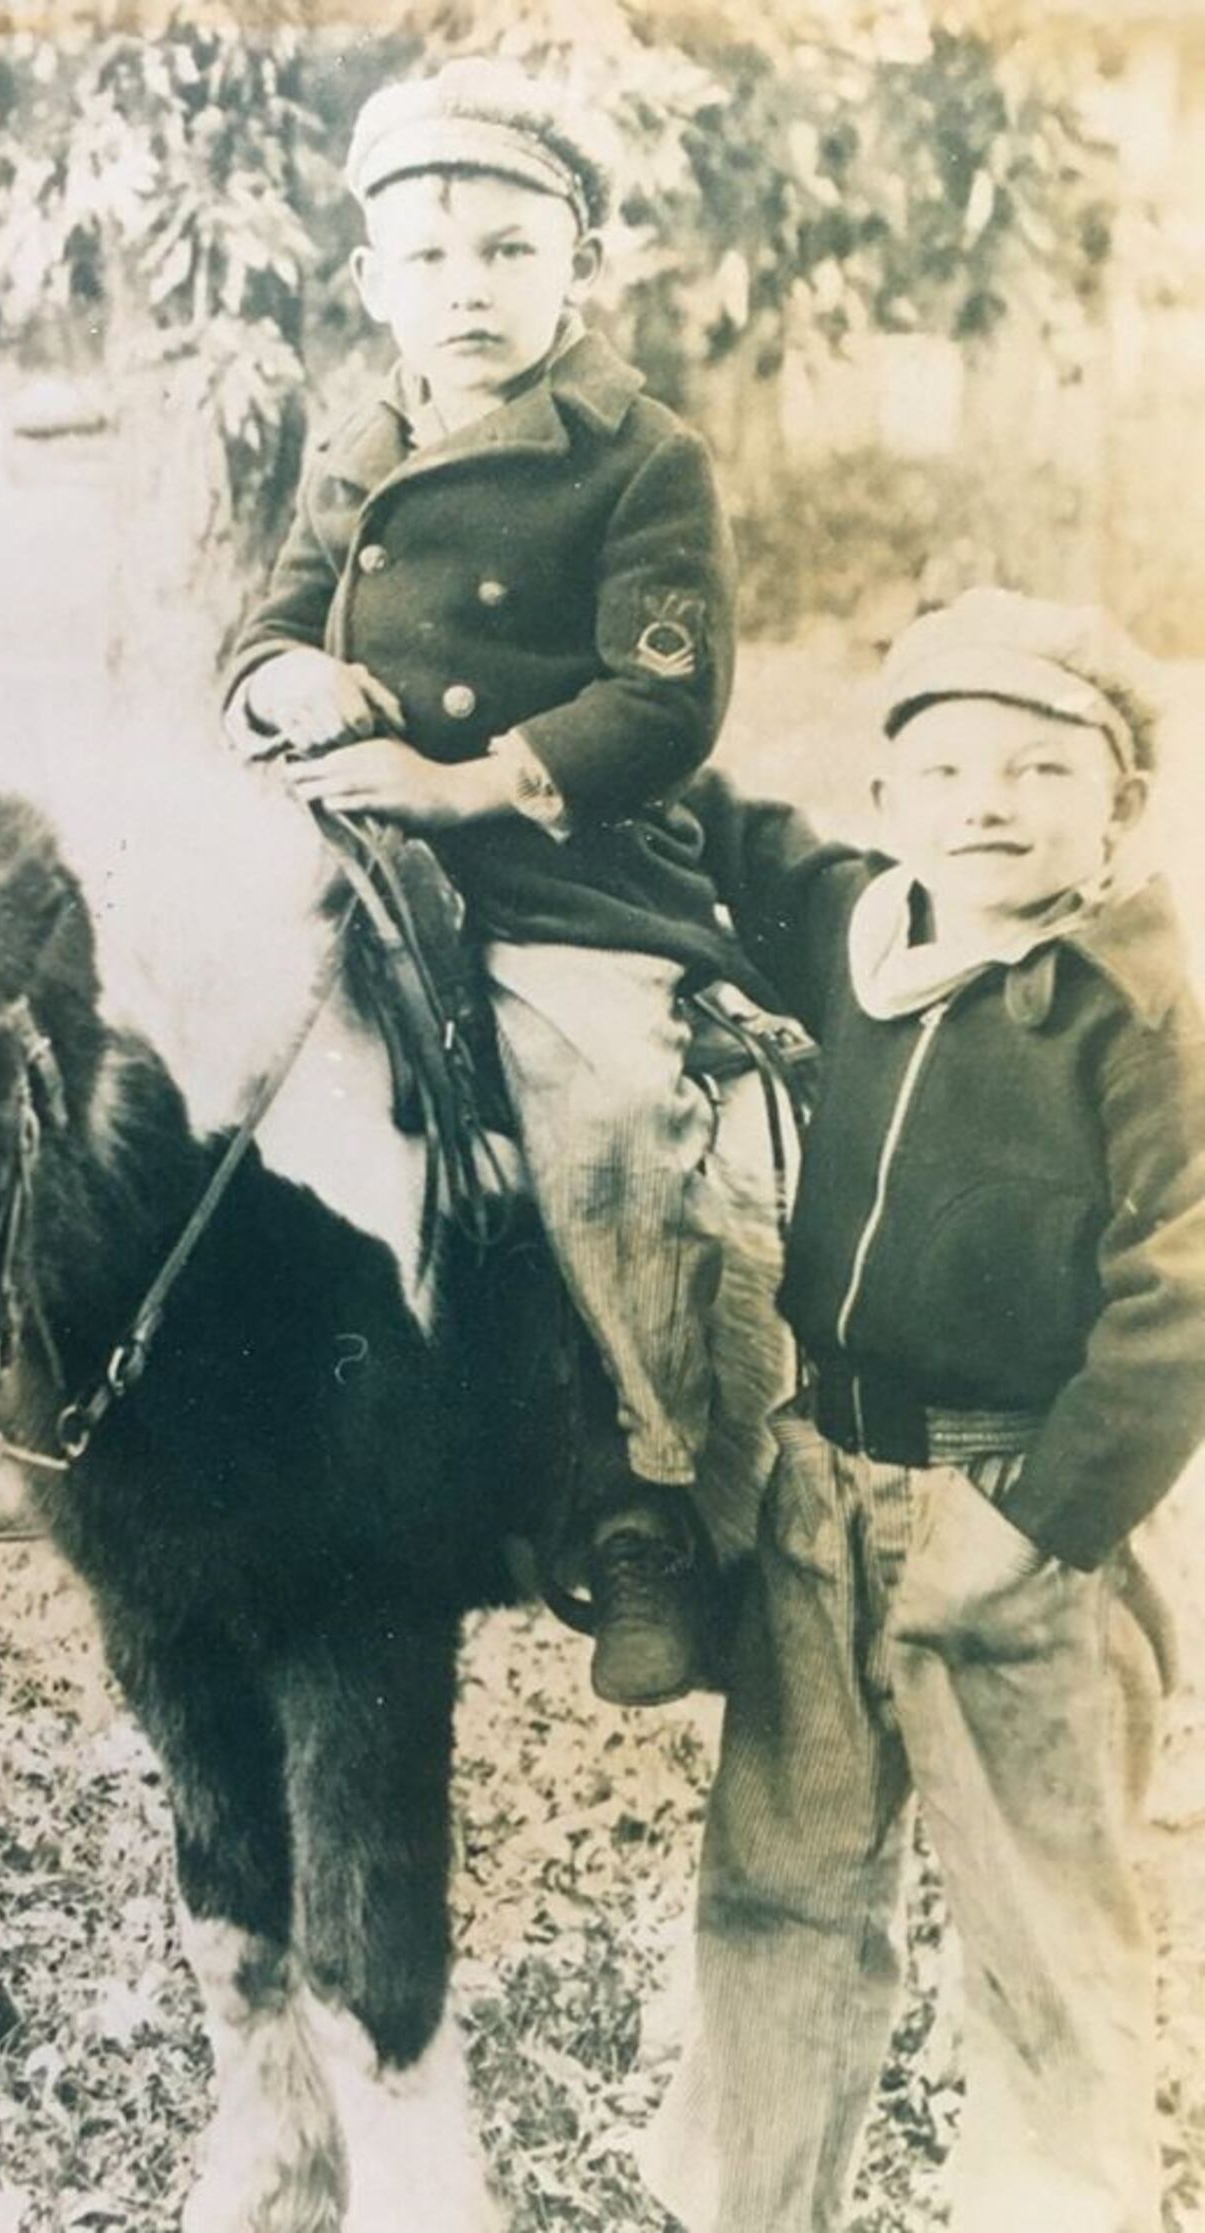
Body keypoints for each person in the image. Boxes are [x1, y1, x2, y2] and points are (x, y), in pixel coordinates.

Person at [640, 586, 1205, 2233]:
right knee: (782, 1880)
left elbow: (1182, 1296)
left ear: (1120, 805)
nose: (987, 804)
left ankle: (1064, 2206)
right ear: (891, 805)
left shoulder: (1135, 1017)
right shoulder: (869, 938)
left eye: (1040, 772)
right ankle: (753, 2198)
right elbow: (730, 827)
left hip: (1017, 1517)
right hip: (825, 1485)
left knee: (1035, 1916)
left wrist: (1035, 1531)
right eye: (947, 770)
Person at [222, 59, 785, 1707]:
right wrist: (287, 690)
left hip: (564, 865)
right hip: (351, 842)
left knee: (604, 1110)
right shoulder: (359, 439)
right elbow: (262, 625)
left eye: (510, 249)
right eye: (432, 254)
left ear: (580, 265)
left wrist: (469, 776)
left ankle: (654, 1498)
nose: (467, 288)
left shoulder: (639, 453)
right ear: (370, 277)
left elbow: (662, 697)